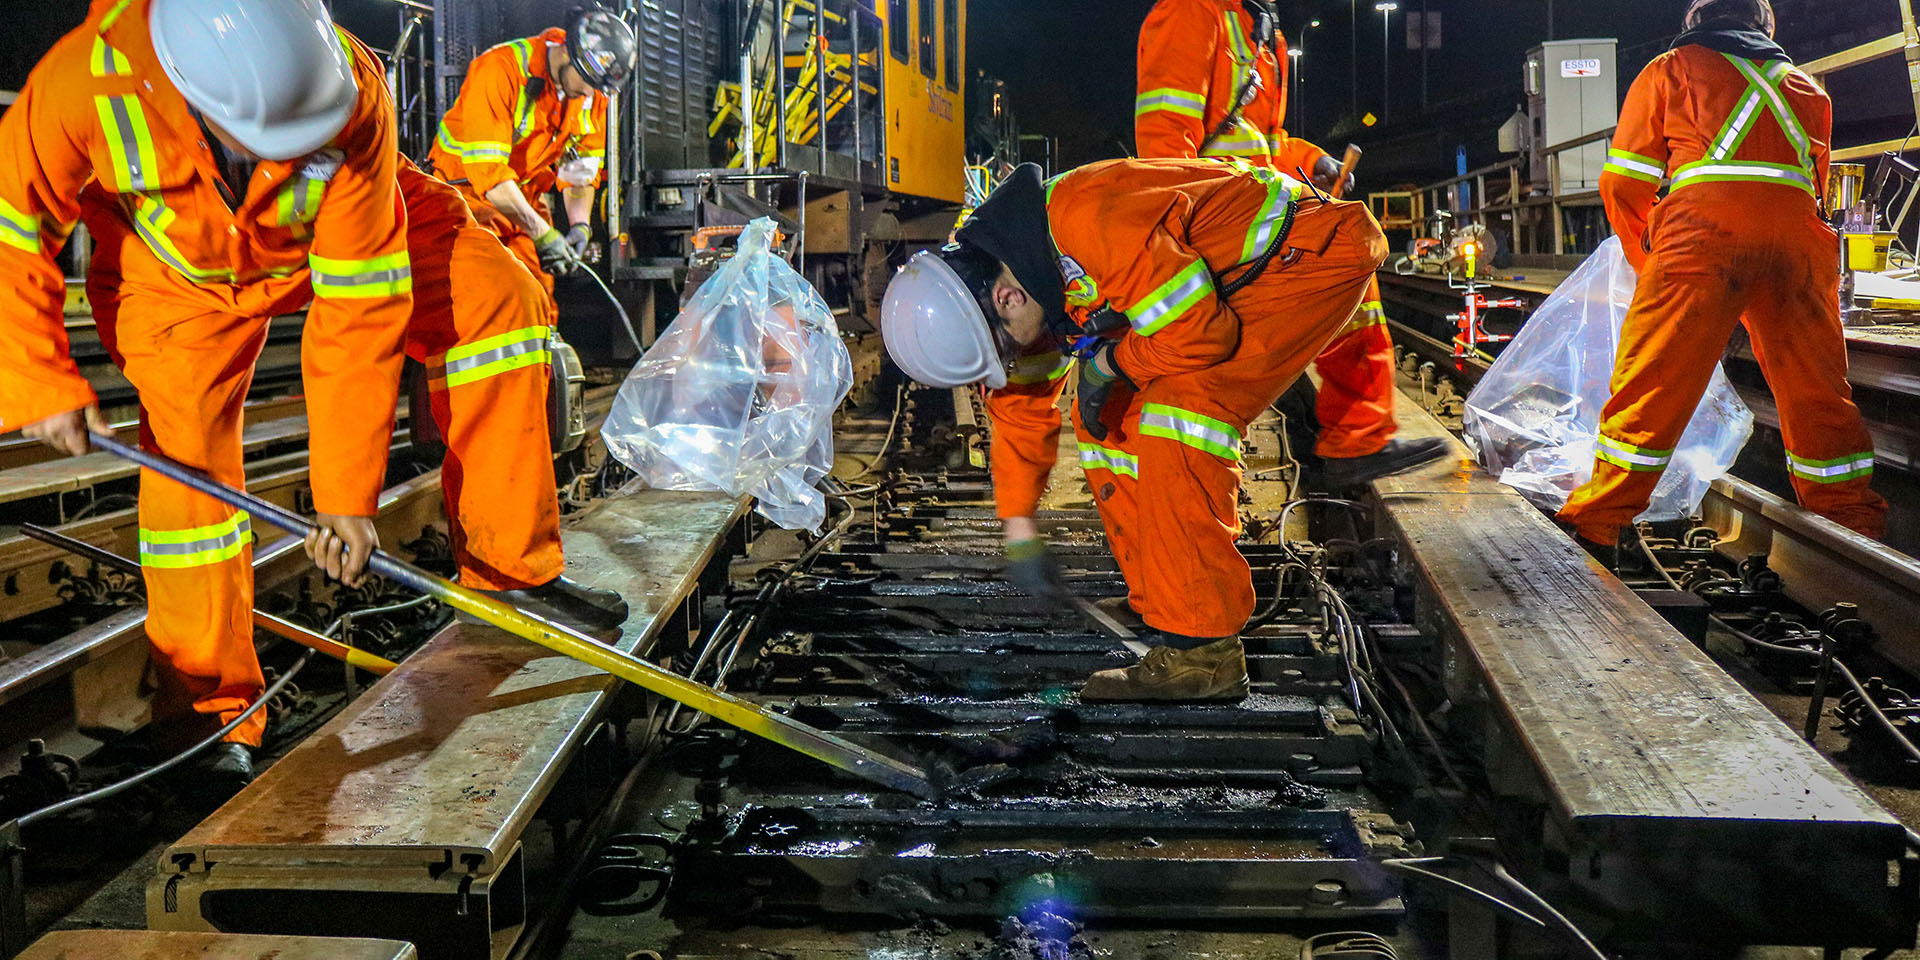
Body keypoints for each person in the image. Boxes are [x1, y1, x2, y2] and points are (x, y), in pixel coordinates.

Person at [0, 0, 623, 788]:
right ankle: (207, 713)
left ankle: (511, 575)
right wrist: (36, 375)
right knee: (188, 475)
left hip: (338, 232)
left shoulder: (350, 87)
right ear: (198, 102)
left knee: (493, 293)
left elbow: (360, 304)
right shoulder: (84, 81)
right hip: (176, 278)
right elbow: (12, 228)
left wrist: (345, 495)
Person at [881, 160, 1388, 701]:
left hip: (1306, 259)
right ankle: (1163, 598)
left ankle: (1204, 653)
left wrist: (1113, 363)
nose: (1011, 360)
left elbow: (1202, 336)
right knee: (1107, 416)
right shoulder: (1022, 265)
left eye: (1001, 349)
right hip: (1243, 277)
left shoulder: (1089, 223)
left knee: (1182, 412)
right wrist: (1019, 526)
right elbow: (1021, 405)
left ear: (1005, 300)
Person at [1558, 0, 1888, 544]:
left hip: (1701, 241)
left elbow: (1623, 183)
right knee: (1818, 391)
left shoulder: (1670, 70)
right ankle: (1852, 528)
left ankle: (1599, 521)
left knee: (1653, 385)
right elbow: (1813, 187)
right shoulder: (1809, 90)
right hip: (1798, 247)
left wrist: (1647, 262)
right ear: (1765, 27)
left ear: (1695, 24)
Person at [1134, 0, 1444, 487]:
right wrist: (1187, 249)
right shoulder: (1191, 12)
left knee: (1350, 264)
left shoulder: (1259, 30)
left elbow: (1261, 142)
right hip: (1221, 223)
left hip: (1250, 211)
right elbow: (1165, 149)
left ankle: (1358, 437)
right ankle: (1355, 438)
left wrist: (1311, 159)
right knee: (1343, 261)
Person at [429, 6, 637, 299]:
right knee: (487, 296)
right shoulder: (501, 69)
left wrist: (580, 226)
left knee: (536, 294)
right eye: (590, 83)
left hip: (520, 201)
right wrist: (542, 233)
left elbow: (579, 175)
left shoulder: (591, 95)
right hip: (463, 201)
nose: (592, 93)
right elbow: (489, 176)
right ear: (568, 54)